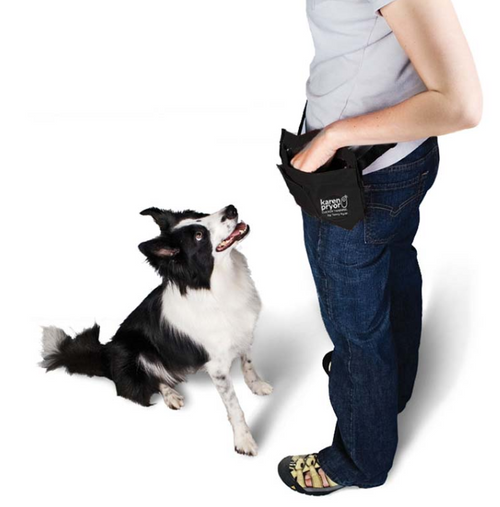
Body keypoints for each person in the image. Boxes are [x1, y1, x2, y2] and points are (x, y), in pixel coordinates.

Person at [277, 0, 482, 496]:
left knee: (354, 333)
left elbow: (462, 105)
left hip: (357, 180)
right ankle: (389, 388)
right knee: (394, 266)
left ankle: (358, 459)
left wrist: (331, 138)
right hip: (403, 157)